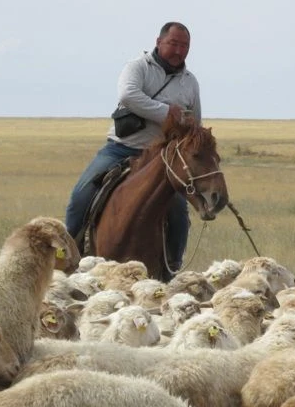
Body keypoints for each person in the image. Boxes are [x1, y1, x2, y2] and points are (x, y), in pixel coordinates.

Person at [65, 21, 201, 272]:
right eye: (173, 44)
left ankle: (172, 265)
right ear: (159, 42)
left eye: (185, 46)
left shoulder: (190, 82)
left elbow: (196, 121)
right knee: (80, 196)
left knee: (179, 211)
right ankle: (67, 257)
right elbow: (128, 96)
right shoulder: (138, 67)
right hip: (122, 148)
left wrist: (191, 128)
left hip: (162, 159)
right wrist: (167, 113)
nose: (179, 51)